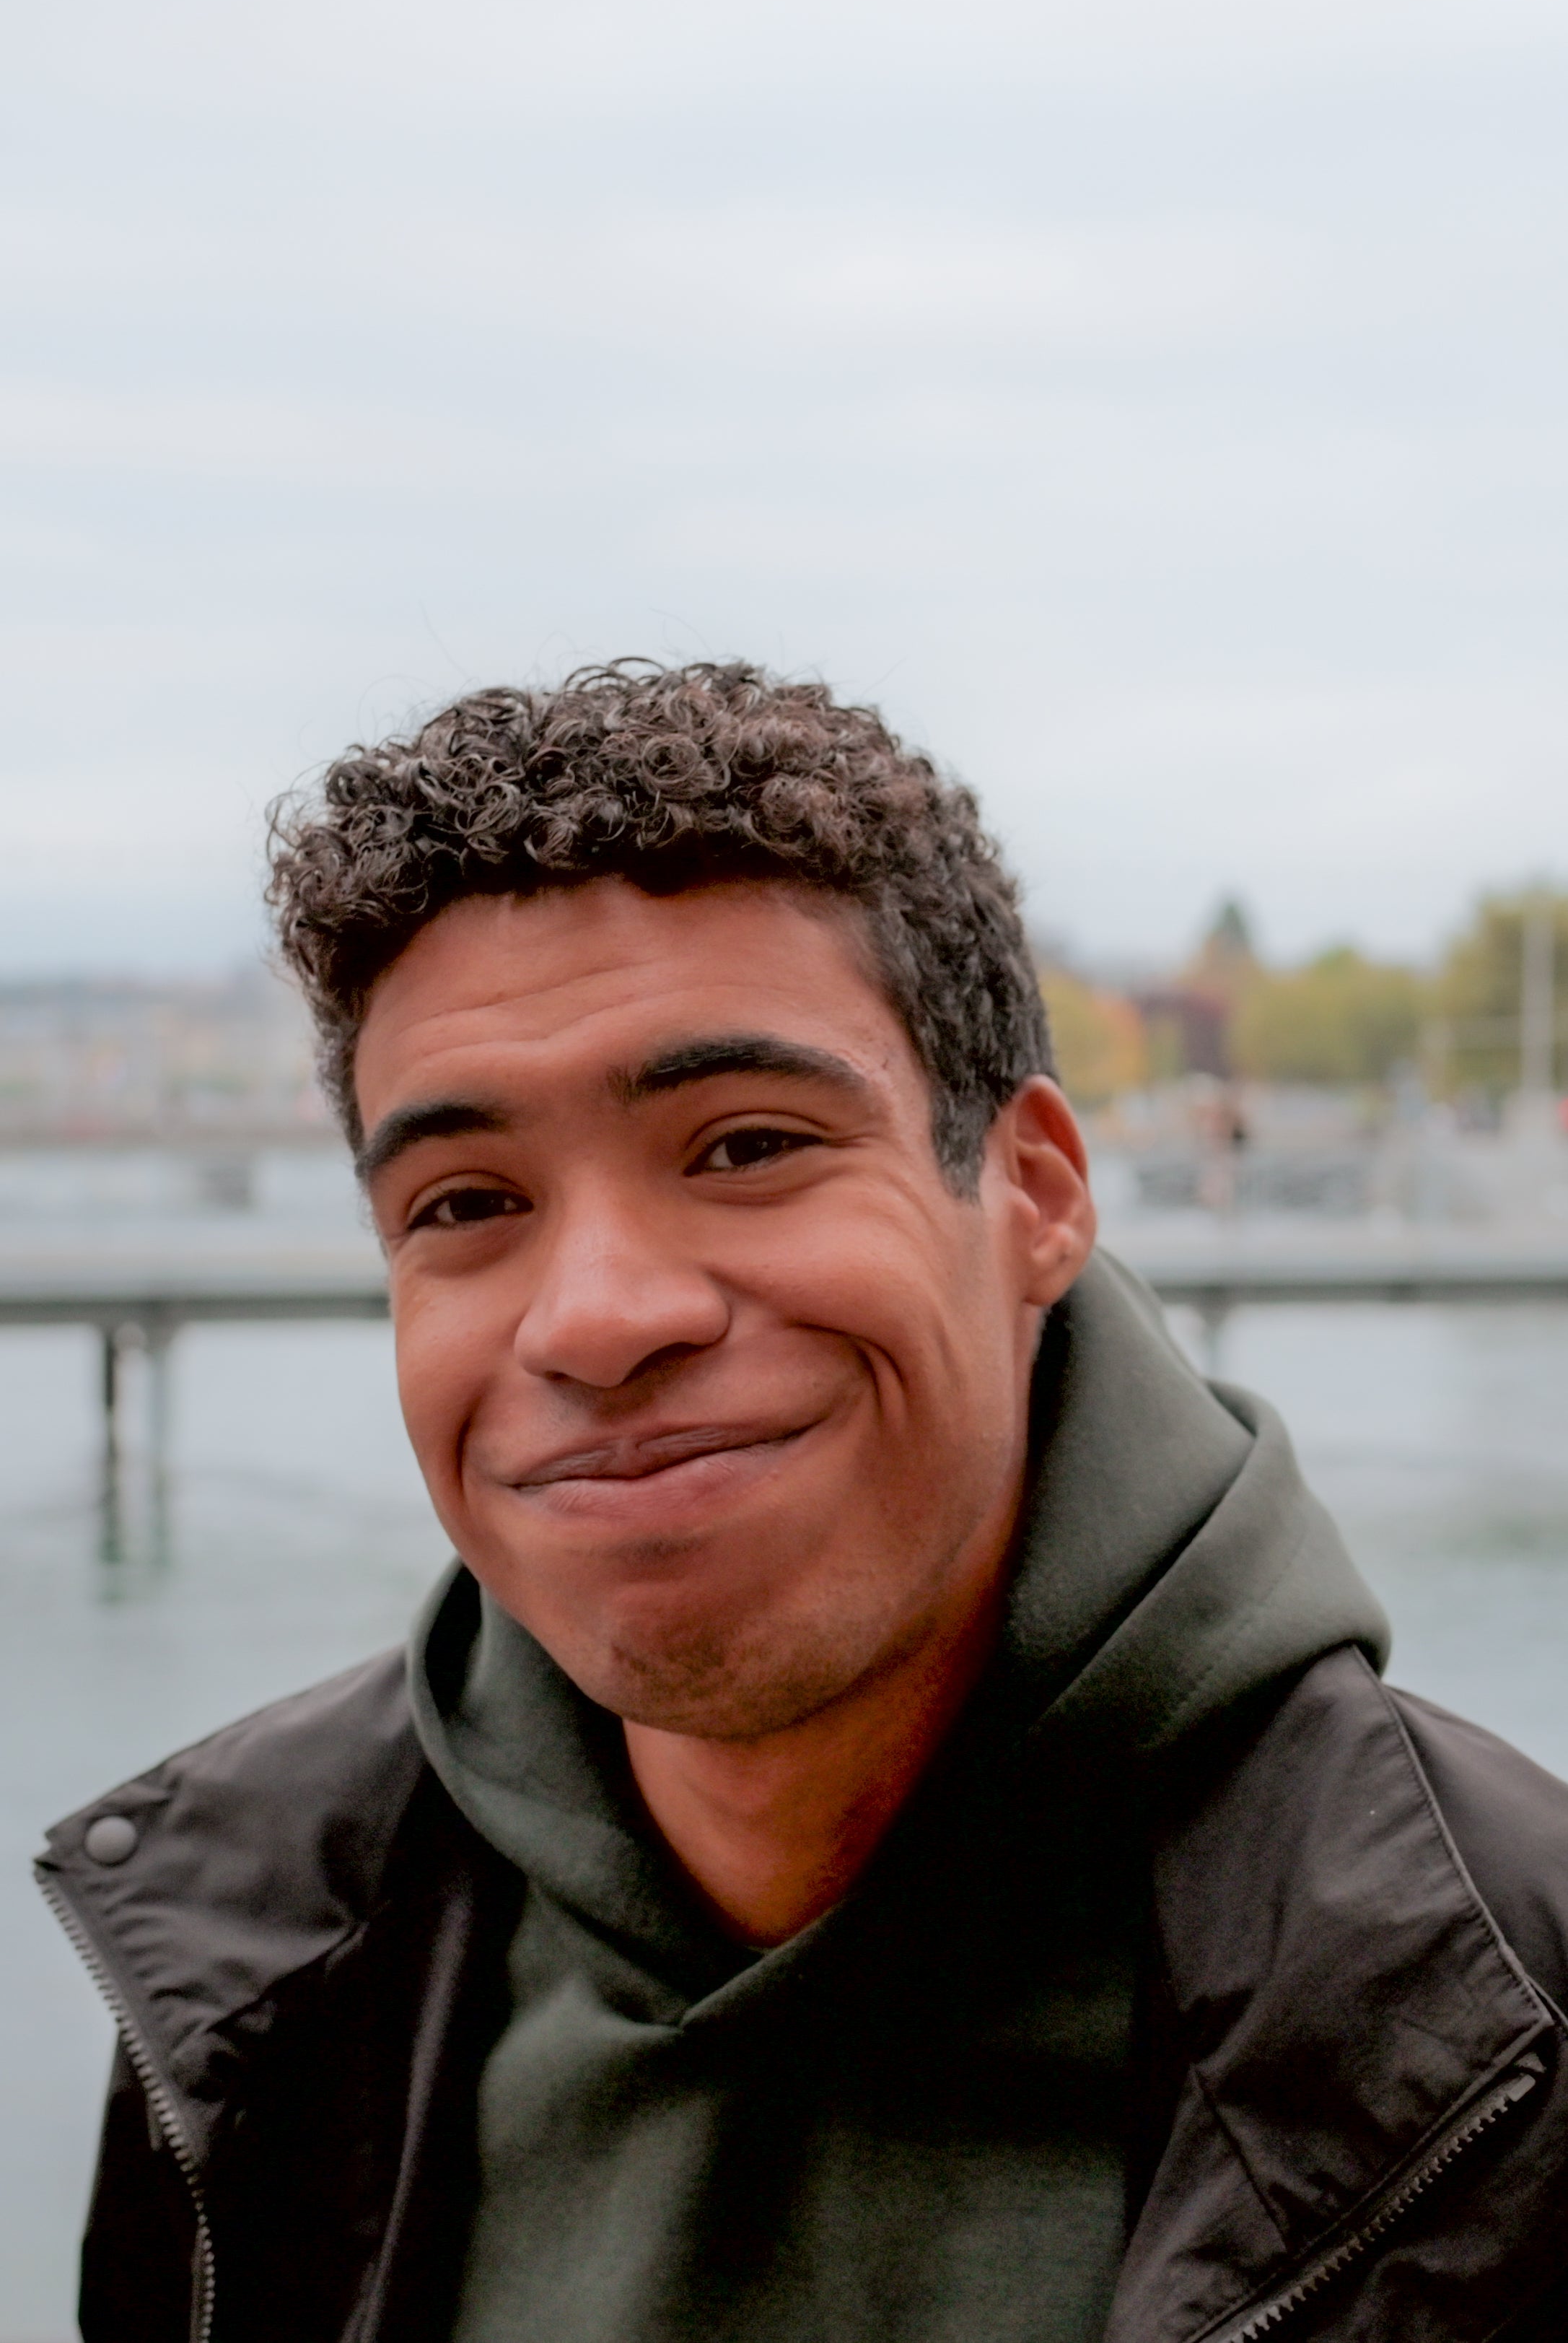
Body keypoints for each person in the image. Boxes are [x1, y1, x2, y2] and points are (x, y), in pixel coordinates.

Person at [37, 662, 1568, 2343]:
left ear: (1036, 1194)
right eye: (468, 1200)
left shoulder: (1509, 2019)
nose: (600, 1314)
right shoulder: (256, 1973)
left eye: (747, 1144)